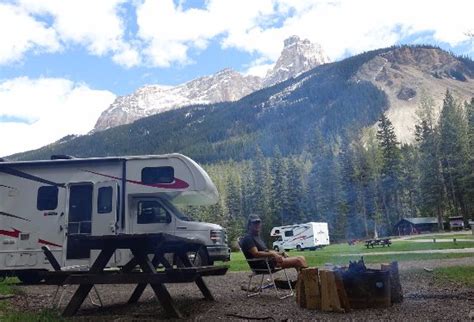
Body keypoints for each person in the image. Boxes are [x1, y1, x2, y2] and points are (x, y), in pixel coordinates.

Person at [240, 214, 307, 272]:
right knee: (298, 261)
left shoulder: (257, 237)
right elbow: (256, 253)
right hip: (263, 265)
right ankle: (306, 283)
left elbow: (266, 251)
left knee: (301, 258)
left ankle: (302, 282)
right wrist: (273, 255)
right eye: (254, 223)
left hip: (269, 261)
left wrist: (280, 253)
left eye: (258, 222)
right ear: (249, 225)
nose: (257, 225)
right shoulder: (248, 238)